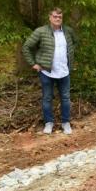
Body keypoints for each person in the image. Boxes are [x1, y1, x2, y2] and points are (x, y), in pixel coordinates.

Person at [22, 7, 77, 135]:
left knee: (65, 98)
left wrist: (70, 54)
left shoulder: (68, 31)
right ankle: (49, 123)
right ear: (50, 17)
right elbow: (26, 47)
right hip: (47, 72)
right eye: (55, 16)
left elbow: (75, 43)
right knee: (47, 98)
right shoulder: (41, 31)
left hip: (64, 72)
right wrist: (33, 64)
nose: (58, 19)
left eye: (60, 17)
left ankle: (66, 123)